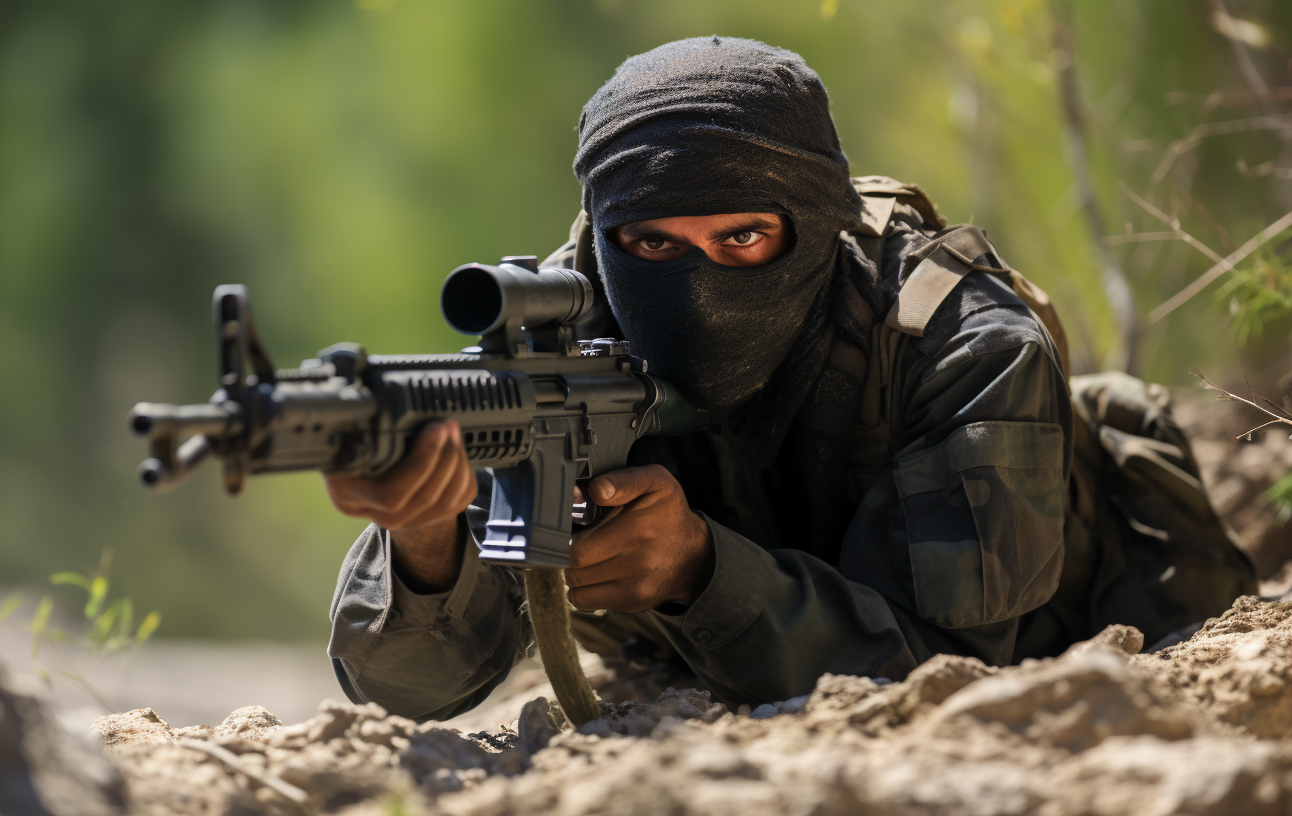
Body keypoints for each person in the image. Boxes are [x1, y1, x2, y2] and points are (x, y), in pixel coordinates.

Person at [324, 36, 1256, 721]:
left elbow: (952, 680)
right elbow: (405, 690)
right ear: (603, 237)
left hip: (1070, 623)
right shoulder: (562, 344)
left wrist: (698, 571)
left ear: (815, 223)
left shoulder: (961, 343)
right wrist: (424, 540)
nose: (695, 285)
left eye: (744, 239)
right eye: (650, 243)